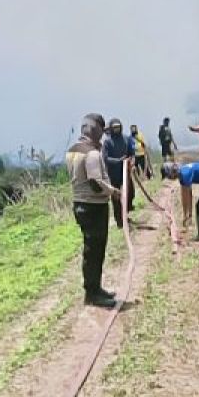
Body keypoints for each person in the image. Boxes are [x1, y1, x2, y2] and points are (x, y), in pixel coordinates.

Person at [66, 113, 122, 307]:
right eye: (101, 130)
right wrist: (114, 192)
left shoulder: (73, 150)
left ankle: (95, 288)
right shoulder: (91, 153)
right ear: (95, 129)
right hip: (94, 206)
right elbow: (96, 183)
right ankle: (92, 293)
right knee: (95, 251)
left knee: (91, 250)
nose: (103, 135)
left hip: (79, 204)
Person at [101, 117, 136, 228]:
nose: (116, 129)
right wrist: (118, 161)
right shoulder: (107, 142)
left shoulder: (126, 139)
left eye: (118, 127)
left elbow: (131, 153)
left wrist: (131, 161)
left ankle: (125, 215)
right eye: (114, 127)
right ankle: (119, 221)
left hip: (125, 171)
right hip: (113, 173)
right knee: (116, 197)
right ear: (111, 128)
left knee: (130, 193)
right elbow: (105, 158)